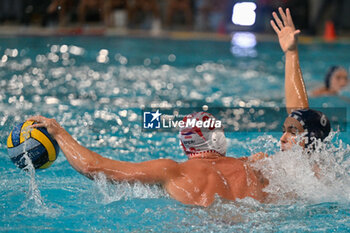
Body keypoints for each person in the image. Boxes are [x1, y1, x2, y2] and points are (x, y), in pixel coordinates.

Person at [27, 8, 330, 207]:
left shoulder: (174, 171)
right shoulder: (257, 166)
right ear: (219, 140)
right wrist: (291, 54)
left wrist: (59, 132)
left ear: (187, 147)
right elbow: (301, 126)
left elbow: (96, 167)